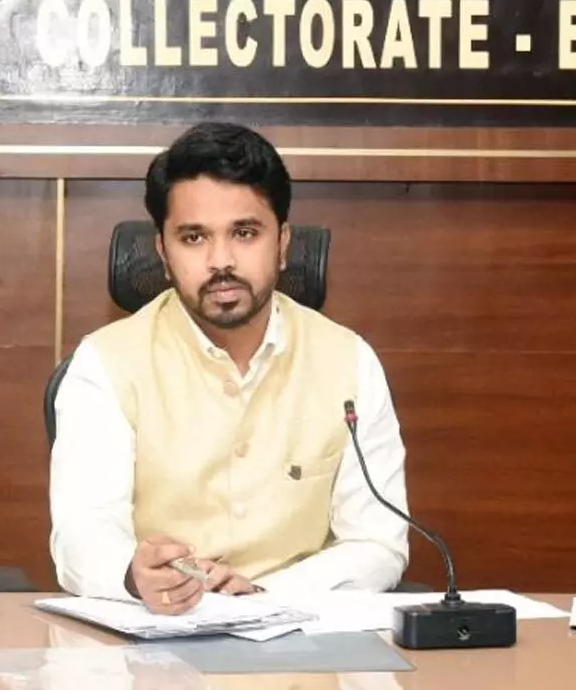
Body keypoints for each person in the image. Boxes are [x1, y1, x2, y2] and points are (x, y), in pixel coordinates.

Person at [49, 122, 410, 615]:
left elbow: (379, 543)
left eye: (244, 233)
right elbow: (80, 536)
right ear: (162, 251)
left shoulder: (350, 362)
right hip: (154, 648)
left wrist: (266, 594)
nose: (221, 260)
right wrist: (135, 575)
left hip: (301, 646)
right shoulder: (105, 364)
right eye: (194, 237)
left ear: (283, 243)